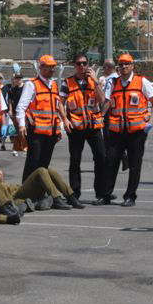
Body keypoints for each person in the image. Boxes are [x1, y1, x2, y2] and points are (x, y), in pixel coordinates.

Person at [97, 53, 153, 207]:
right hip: (116, 131)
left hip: (136, 132)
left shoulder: (141, 82)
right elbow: (107, 102)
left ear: (132, 65)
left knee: (134, 164)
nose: (124, 67)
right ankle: (105, 195)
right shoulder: (113, 83)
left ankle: (130, 196)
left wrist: (150, 122)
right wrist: (100, 116)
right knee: (111, 162)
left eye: (127, 64)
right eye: (121, 64)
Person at [59, 52, 105, 208]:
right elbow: (60, 103)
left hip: (93, 126)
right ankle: (75, 194)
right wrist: (65, 120)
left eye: (84, 63)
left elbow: (102, 100)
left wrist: (96, 82)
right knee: (75, 161)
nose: (82, 66)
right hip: (76, 126)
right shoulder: (68, 82)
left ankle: (100, 193)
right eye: (79, 63)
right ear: (74, 65)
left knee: (101, 157)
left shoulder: (94, 82)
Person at [16, 55, 69, 182]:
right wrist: (22, 125)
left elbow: (56, 106)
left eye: (53, 67)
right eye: (49, 67)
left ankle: (40, 193)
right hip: (36, 132)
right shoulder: (32, 84)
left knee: (44, 165)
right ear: (41, 67)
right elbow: (21, 107)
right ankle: (26, 193)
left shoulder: (54, 85)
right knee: (33, 163)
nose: (52, 69)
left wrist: (62, 122)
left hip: (50, 133)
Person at [0, 168, 80, 211]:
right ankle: (54, 198)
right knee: (41, 171)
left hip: (18, 189)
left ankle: (70, 196)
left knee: (49, 171)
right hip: (16, 195)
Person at [1, 73, 26, 154]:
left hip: (24, 112)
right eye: (16, 78)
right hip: (15, 112)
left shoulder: (25, 88)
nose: (18, 80)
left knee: (23, 130)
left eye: (19, 78)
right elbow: (10, 101)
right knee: (16, 131)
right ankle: (17, 146)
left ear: (22, 79)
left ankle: (25, 145)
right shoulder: (12, 89)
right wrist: (10, 110)